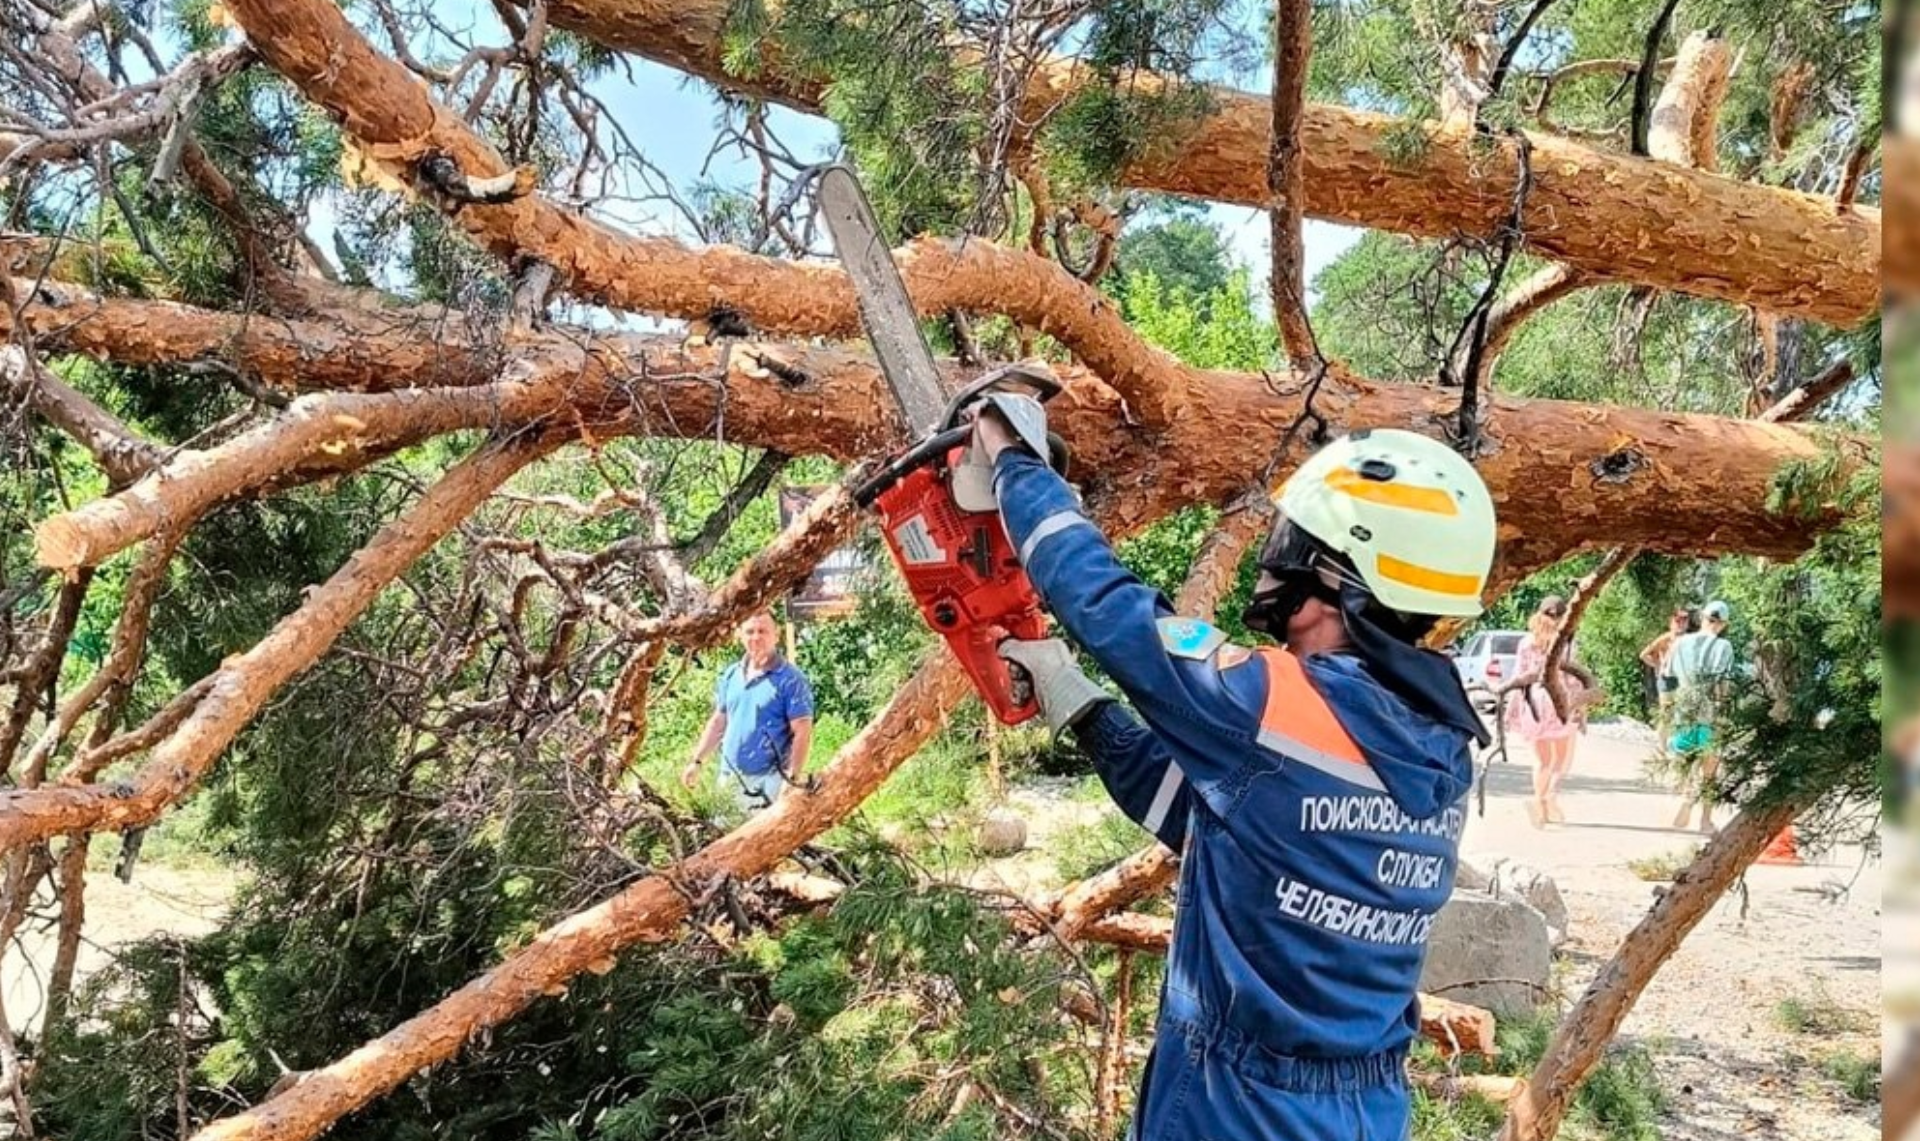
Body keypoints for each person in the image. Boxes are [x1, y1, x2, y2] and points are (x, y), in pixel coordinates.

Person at [978, 410, 1495, 1141]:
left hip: (1237, 1108)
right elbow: (1207, 822)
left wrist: (1009, 456)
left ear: (1336, 574)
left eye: (1295, 540)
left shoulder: (1278, 703)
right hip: (1364, 1109)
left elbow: (1103, 604)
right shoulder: (1440, 745)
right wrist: (1082, 705)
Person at [680, 610, 815, 813]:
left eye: (763, 631)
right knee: (724, 840)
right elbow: (719, 722)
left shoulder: (790, 679)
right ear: (740, 636)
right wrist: (697, 761)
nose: (756, 637)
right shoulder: (731, 675)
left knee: (765, 843)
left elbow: (802, 731)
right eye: (750, 631)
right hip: (729, 779)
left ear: (775, 636)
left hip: (769, 782)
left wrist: (792, 777)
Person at [1500, 596, 1601, 827]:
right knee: (1562, 760)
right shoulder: (1567, 644)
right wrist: (1580, 708)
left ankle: (1540, 806)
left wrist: (1510, 710)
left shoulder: (1527, 642)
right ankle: (1550, 795)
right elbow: (1574, 680)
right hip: (1559, 700)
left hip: (1533, 701)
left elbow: (1519, 676)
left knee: (1541, 761)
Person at [1667, 599, 1736, 833]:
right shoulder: (1724, 647)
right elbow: (1722, 683)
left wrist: (1666, 708)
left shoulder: (1680, 642)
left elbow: (1667, 677)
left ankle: (1687, 799)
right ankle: (1705, 820)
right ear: (1724, 624)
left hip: (1684, 708)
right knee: (1710, 769)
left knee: (1688, 761)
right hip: (1710, 710)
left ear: (1703, 618)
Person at [1639, 607, 1695, 736]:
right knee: (1666, 713)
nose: (1681, 623)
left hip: (1683, 679)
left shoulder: (1689, 639)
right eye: (1678, 620)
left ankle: (1676, 745)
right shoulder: (1665, 638)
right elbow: (1643, 655)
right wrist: (1658, 665)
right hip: (1667, 679)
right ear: (1672, 622)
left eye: (1685, 620)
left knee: (1682, 712)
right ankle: (1661, 746)